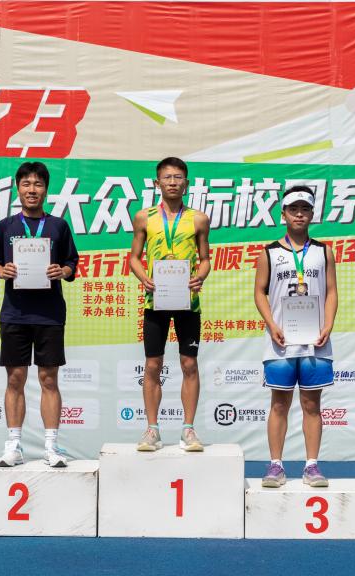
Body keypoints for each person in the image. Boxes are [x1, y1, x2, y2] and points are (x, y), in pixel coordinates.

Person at [0, 161, 79, 468]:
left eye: (38, 184)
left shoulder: (58, 226)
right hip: (14, 313)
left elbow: (72, 264)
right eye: (26, 184)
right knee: (15, 379)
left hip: (49, 314)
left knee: (48, 379)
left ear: (46, 189)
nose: (32, 189)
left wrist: (62, 270)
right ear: (18, 188)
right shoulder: (5, 226)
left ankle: (51, 446)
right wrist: (2, 271)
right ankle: (13, 445)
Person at [252, 185, 338, 488]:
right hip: (281, 342)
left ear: (312, 214)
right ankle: (275, 465)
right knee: (279, 403)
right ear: (284, 214)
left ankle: (311, 465)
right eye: (293, 209)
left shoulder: (324, 251)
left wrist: (328, 324)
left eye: (304, 209)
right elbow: (259, 292)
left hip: (315, 342)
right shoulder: (269, 252)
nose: (299, 214)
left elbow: (331, 292)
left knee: (312, 404)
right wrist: (271, 324)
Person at [128, 157, 211, 452]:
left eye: (178, 177)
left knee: (189, 364)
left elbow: (205, 259)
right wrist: (144, 278)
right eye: (167, 177)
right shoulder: (144, 217)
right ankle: (152, 429)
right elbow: (134, 257)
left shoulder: (199, 219)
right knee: (153, 364)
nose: (173, 182)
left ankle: (188, 429)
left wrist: (199, 277)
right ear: (157, 183)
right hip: (156, 300)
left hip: (188, 301)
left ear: (186, 183)